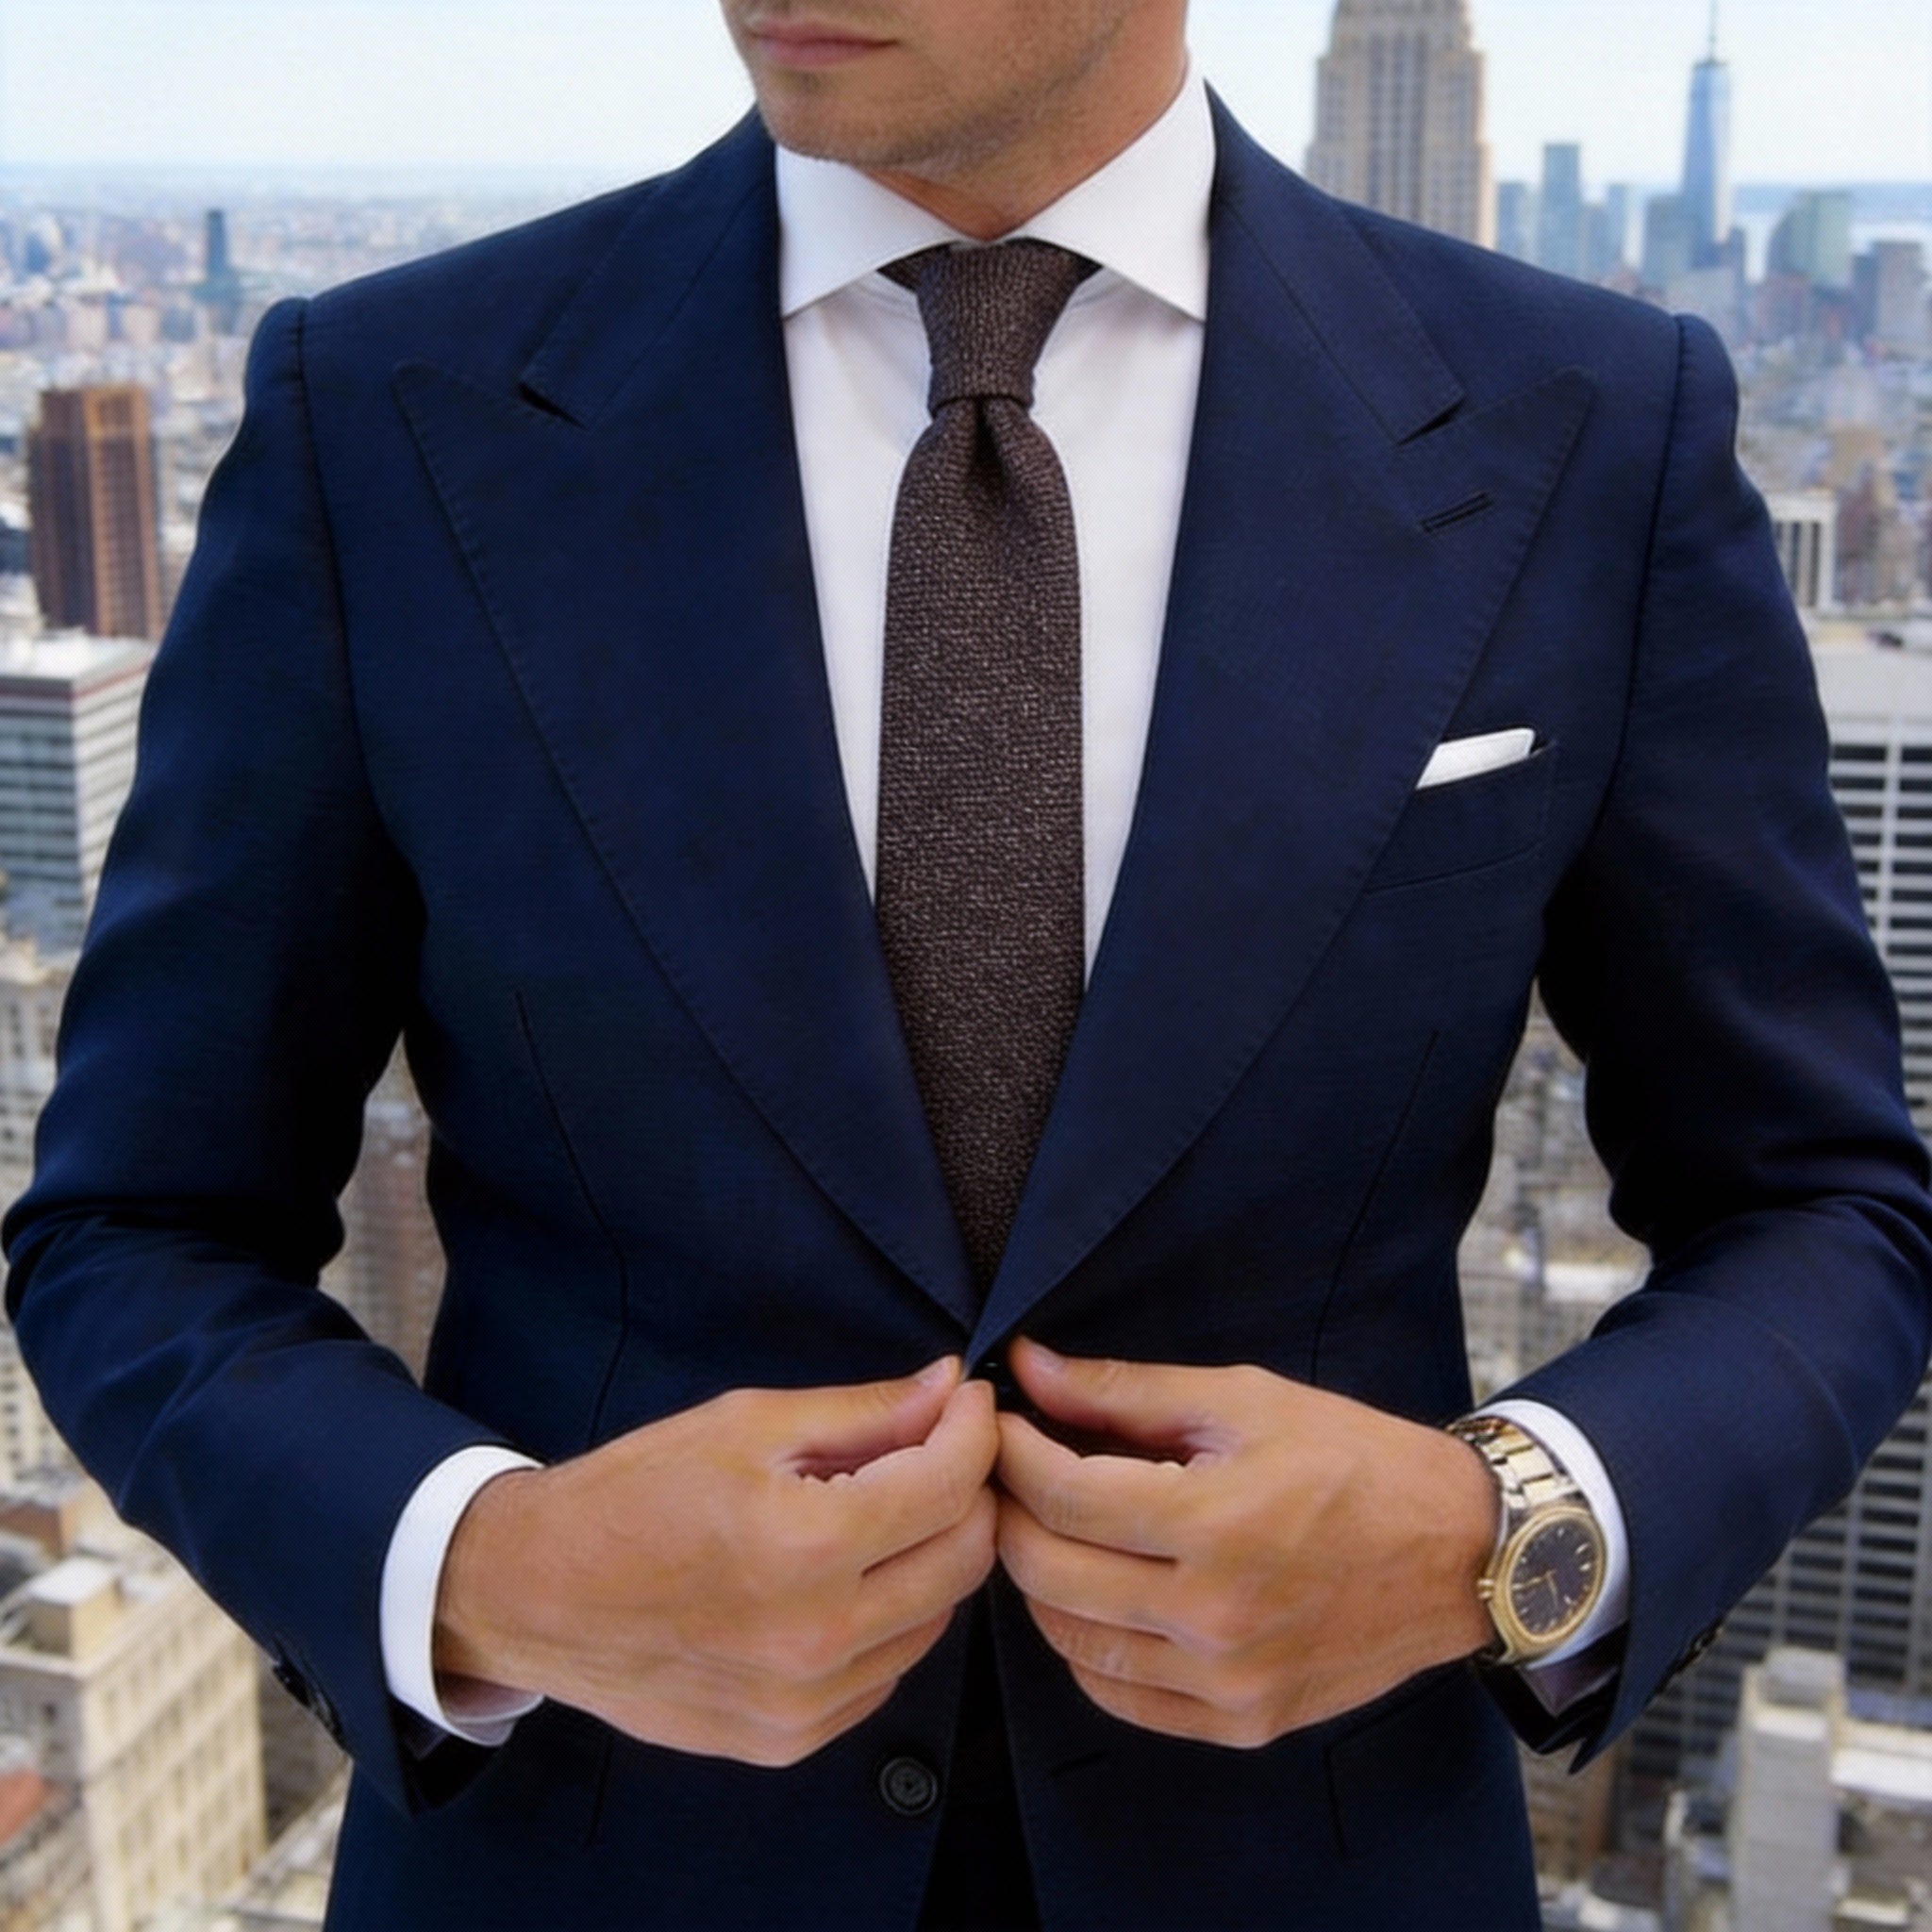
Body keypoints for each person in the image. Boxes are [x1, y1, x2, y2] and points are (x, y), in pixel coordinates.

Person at [6, 2, 1929, 1927]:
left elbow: (1820, 1204)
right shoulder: (387, 409)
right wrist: (489, 1569)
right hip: (583, 1860)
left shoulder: (1587, 427)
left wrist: (1494, 1530)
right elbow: (137, 1223)